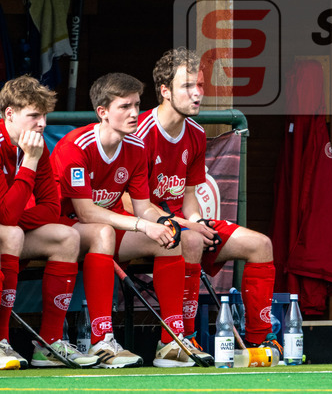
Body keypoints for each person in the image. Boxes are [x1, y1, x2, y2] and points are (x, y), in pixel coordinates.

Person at [50, 73, 199, 367]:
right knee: (103, 231)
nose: (134, 113)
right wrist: (143, 224)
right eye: (125, 107)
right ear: (103, 112)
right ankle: (102, 341)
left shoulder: (136, 147)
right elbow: (85, 212)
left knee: (169, 240)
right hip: (59, 228)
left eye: (137, 105)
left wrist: (168, 223)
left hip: (103, 230)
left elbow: (143, 207)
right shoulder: (75, 146)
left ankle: (171, 342)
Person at [136, 48, 276, 352]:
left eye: (200, 85)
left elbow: (189, 198)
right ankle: (181, 340)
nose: (197, 93)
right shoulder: (141, 133)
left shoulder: (196, 134)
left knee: (261, 245)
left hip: (183, 224)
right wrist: (189, 226)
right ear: (165, 91)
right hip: (145, 226)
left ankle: (258, 340)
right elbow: (132, 205)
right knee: (192, 240)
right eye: (187, 87)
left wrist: (197, 220)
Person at [0, 76, 98, 369]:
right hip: (6, 232)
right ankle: (2, 341)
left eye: (44, 116)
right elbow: (5, 216)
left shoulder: (34, 145)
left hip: (7, 229)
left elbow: (50, 208)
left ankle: (49, 343)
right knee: (11, 235)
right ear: (10, 115)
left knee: (66, 237)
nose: (41, 123)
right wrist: (29, 163)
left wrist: (13, 219)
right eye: (33, 116)